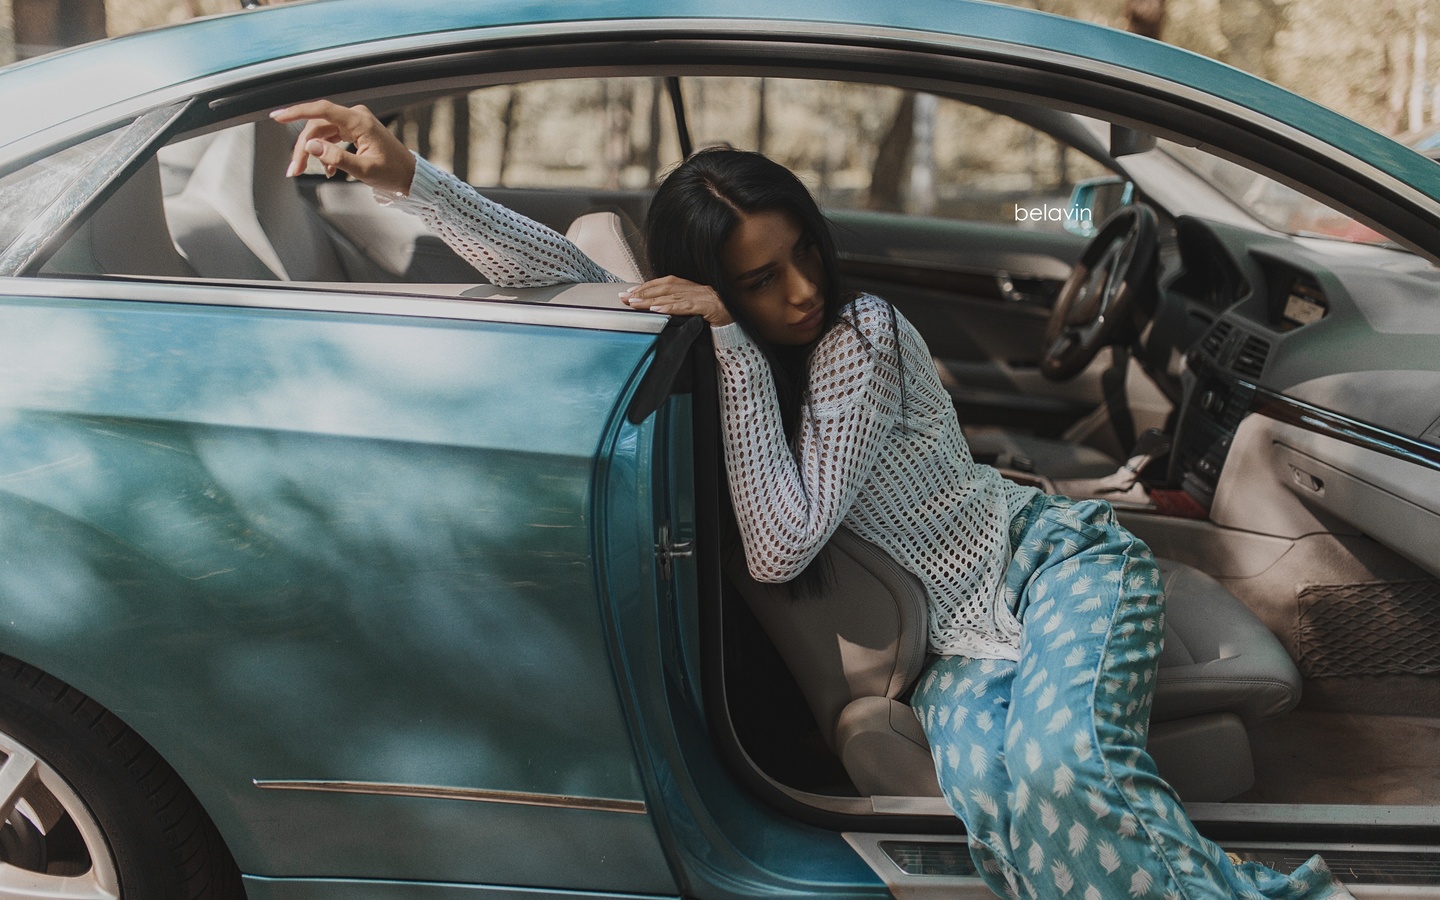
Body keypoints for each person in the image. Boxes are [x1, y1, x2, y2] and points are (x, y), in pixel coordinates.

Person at [271, 100, 1353, 900]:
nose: (798, 292)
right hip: (956, 648)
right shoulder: (739, 349)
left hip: (1050, 564)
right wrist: (410, 178)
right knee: (1009, 807)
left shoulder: (861, 335)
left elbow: (780, 546)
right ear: (709, 283)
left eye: (802, 258)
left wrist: (734, 343)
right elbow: (564, 276)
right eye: (756, 281)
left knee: (1065, 770)